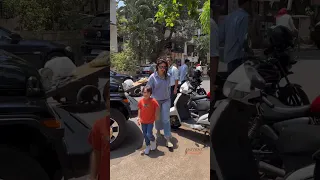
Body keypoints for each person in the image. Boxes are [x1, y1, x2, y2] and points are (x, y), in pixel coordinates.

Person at [219, 0, 252, 73]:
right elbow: (243, 40)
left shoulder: (228, 17)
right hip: (237, 59)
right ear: (247, 3)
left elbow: (221, 38)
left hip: (227, 58)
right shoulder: (245, 16)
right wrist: (250, 52)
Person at [147, 59, 173, 148]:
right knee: (157, 119)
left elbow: (169, 88)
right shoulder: (152, 77)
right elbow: (148, 89)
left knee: (166, 119)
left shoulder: (168, 76)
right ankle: (158, 131)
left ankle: (168, 139)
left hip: (166, 100)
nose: (163, 69)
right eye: (161, 67)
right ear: (157, 67)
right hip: (156, 101)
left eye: (164, 67)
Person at [88, 82, 109, 180]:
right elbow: (96, 151)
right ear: (105, 102)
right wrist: (92, 176)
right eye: (109, 99)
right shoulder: (98, 125)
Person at [137, 86, 160, 155]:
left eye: (147, 92)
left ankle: (153, 140)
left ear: (150, 93)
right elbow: (139, 109)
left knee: (149, 134)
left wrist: (157, 116)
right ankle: (147, 146)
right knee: (145, 134)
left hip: (150, 121)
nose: (145, 94)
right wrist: (138, 118)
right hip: (143, 121)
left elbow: (157, 108)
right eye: (144, 92)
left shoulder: (153, 101)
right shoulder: (141, 101)